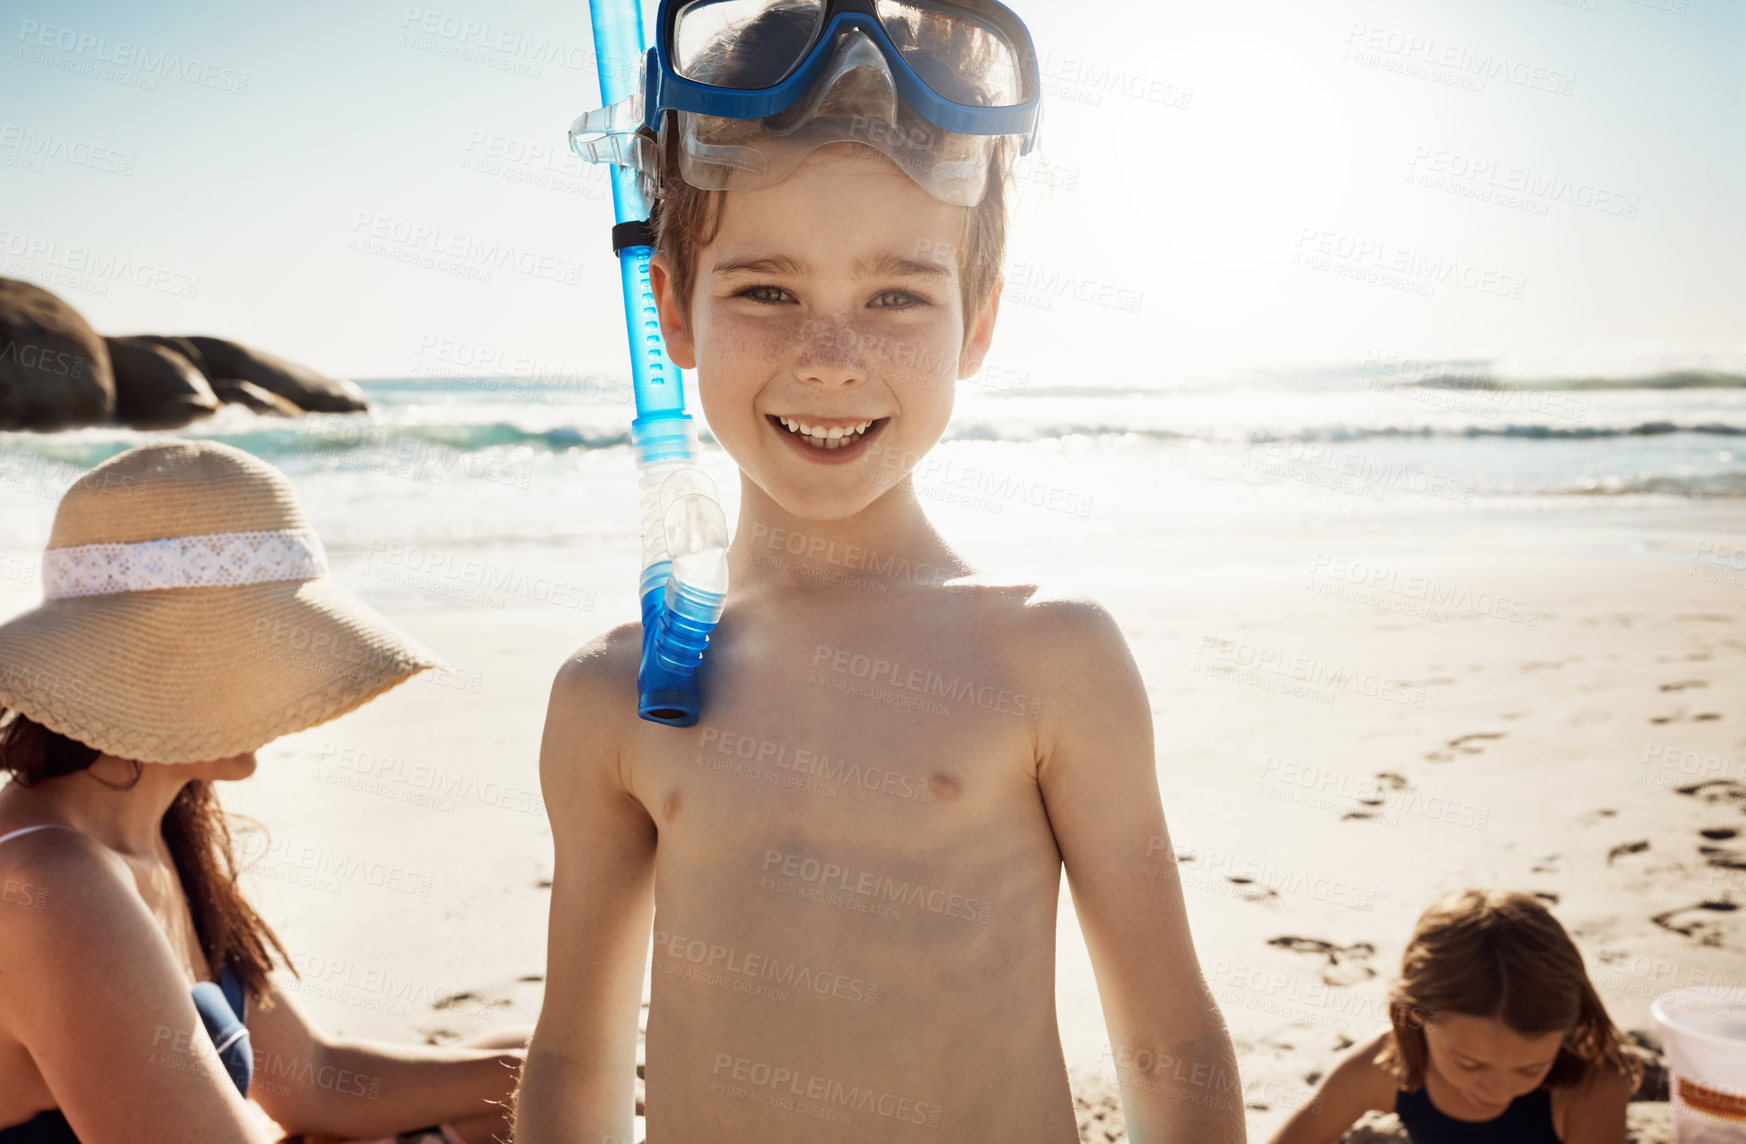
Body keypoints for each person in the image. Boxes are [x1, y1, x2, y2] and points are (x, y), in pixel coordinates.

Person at [514, 2, 1243, 1141]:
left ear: (978, 325)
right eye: (766, 290)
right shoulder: (617, 695)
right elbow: (576, 1057)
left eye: (897, 296)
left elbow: (1167, 1041)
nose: (829, 358)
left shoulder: (1048, 657)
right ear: (671, 310)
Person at [0, 441, 528, 1144]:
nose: (282, 691)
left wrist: (551, 1070)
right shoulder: (50, 885)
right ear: (145, 673)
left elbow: (311, 1080)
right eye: (257, 654)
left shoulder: (160, 823)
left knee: (525, 1062)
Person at [1266, 889, 1643, 1143]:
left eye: (1530, 1069)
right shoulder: (1381, 1066)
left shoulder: (1592, 1084)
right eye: (1469, 1062)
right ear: (1416, 1018)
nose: (1497, 1090)